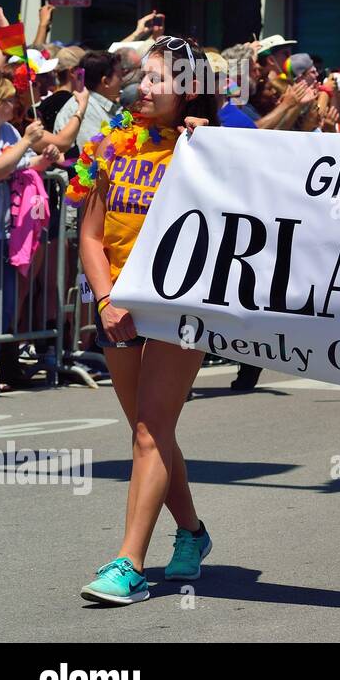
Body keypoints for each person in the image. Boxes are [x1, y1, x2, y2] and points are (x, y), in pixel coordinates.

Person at [71, 36, 217, 606]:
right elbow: (89, 236)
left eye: (161, 79)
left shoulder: (204, 149)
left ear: (188, 91)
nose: (147, 87)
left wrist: (209, 148)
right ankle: (194, 533)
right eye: (146, 77)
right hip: (118, 307)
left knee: (152, 431)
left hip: (178, 308)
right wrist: (107, 301)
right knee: (148, 431)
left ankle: (129, 563)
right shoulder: (110, 147)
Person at [0, 77, 61, 391]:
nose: (13, 106)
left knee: (1, 305)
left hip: (6, 229)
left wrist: (43, 159)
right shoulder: (9, 136)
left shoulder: (8, 132)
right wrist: (25, 141)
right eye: (8, 101)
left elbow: (19, 164)